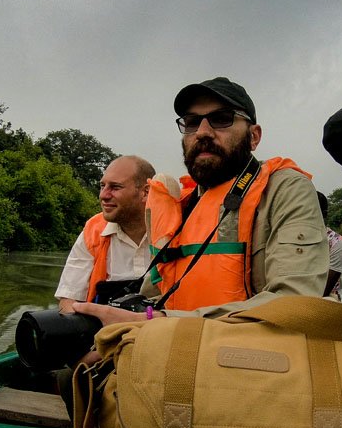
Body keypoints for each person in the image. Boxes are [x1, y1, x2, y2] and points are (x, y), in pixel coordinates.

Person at [72, 76, 328, 325]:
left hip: (246, 359)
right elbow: (154, 297)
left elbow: (294, 304)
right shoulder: (179, 204)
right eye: (192, 122)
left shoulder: (285, 190)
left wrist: (157, 320)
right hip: (169, 345)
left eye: (221, 119)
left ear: (254, 136)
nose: (203, 132)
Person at [54, 155, 156, 313]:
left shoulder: (175, 230)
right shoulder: (93, 231)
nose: (103, 195)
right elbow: (68, 299)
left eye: (115, 187)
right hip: (105, 332)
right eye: (102, 186)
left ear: (145, 192)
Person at [317, 191, 342, 298]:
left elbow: (323, 292)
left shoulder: (338, 244)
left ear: (324, 214)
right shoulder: (288, 237)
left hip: (326, 298)